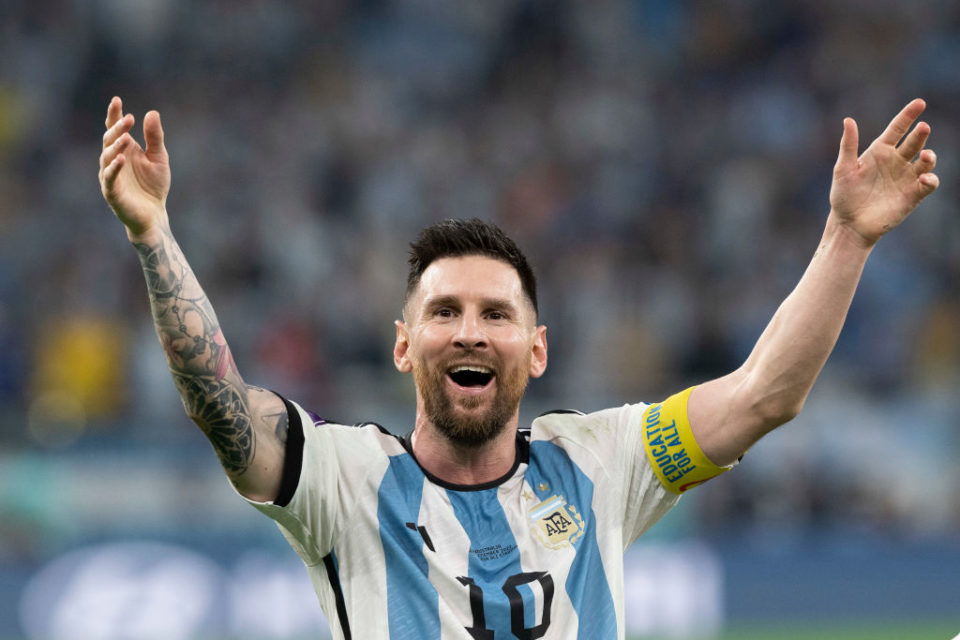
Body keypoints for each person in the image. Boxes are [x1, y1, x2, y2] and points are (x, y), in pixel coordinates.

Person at [98, 95, 938, 639]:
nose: (470, 333)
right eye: (445, 313)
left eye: (497, 315)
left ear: (537, 350)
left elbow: (764, 396)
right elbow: (218, 401)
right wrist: (152, 235)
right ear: (402, 345)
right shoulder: (342, 481)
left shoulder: (604, 463)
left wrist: (848, 237)